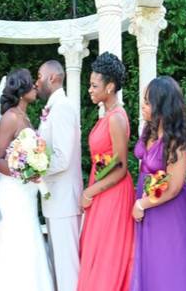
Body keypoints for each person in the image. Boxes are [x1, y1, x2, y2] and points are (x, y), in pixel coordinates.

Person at [0, 69, 54, 291]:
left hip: (27, 192)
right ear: (21, 92)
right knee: (17, 238)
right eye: (31, 84)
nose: (35, 87)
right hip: (14, 192)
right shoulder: (10, 117)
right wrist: (23, 173)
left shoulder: (25, 117)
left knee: (29, 236)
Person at [130, 76, 186, 291]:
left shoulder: (176, 140)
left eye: (148, 102)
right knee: (150, 263)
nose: (143, 105)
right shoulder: (149, 129)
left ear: (163, 106)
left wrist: (142, 204)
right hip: (150, 206)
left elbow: (174, 187)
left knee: (168, 266)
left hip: (169, 210)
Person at [77, 52, 134, 291]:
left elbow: (120, 167)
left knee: (106, 253)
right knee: (95, 248)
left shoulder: (116, 118)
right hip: (102, 190)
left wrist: (90, 192)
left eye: (94, 85)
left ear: (110, 87)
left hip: (113, 192)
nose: (90, 89)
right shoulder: (107, 116)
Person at [35, 60, 83, 291]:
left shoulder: (62, 107)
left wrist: (34, 167)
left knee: (68, 269)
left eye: (39, 76)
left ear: (52, 78)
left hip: (64, 200)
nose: (37, 82)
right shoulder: (54, 107)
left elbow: (63, 158)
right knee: (58, 267)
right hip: (55, 200)